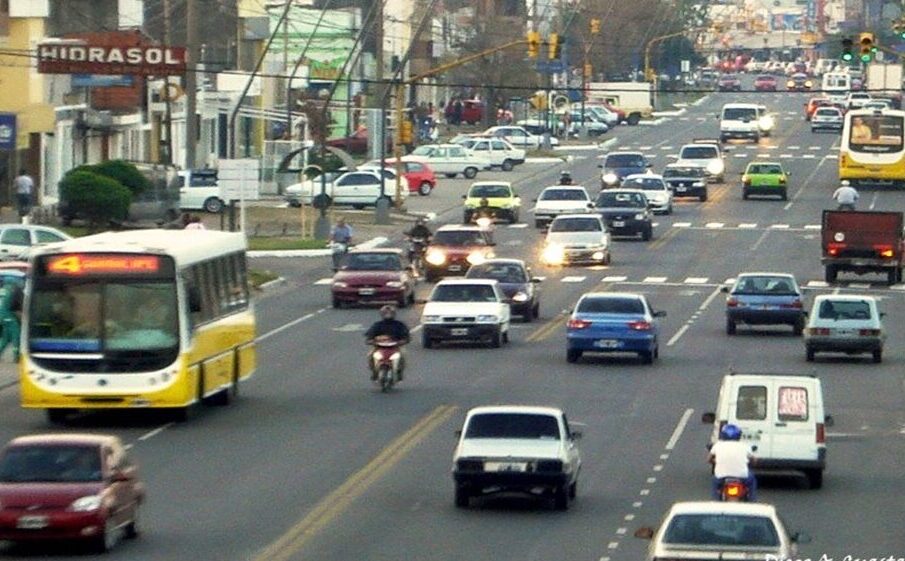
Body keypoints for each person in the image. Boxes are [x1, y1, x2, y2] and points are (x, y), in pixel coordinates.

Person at [709, 423, 757, 501]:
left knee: (715, 484)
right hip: (742, 477)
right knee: (752, 481)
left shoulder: (718, 445)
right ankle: (752, 501)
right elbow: (754, 460)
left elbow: (709, 459)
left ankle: (715, 502)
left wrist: (715, 461)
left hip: (721, 476)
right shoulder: (745, 446)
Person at [365, 305, 410, 380]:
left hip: (396, 346)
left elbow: (406, 335)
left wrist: (404, 340)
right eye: (385, 313)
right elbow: (370, 334)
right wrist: (370, 340)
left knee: (403, 355)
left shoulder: (399, 325)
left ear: (394, 314)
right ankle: (374, 371)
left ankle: (399, 371)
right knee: (370, 355)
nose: (388, 315)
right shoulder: (377, 325)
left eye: (390, 313)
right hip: (379, 347)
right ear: (382, 314)